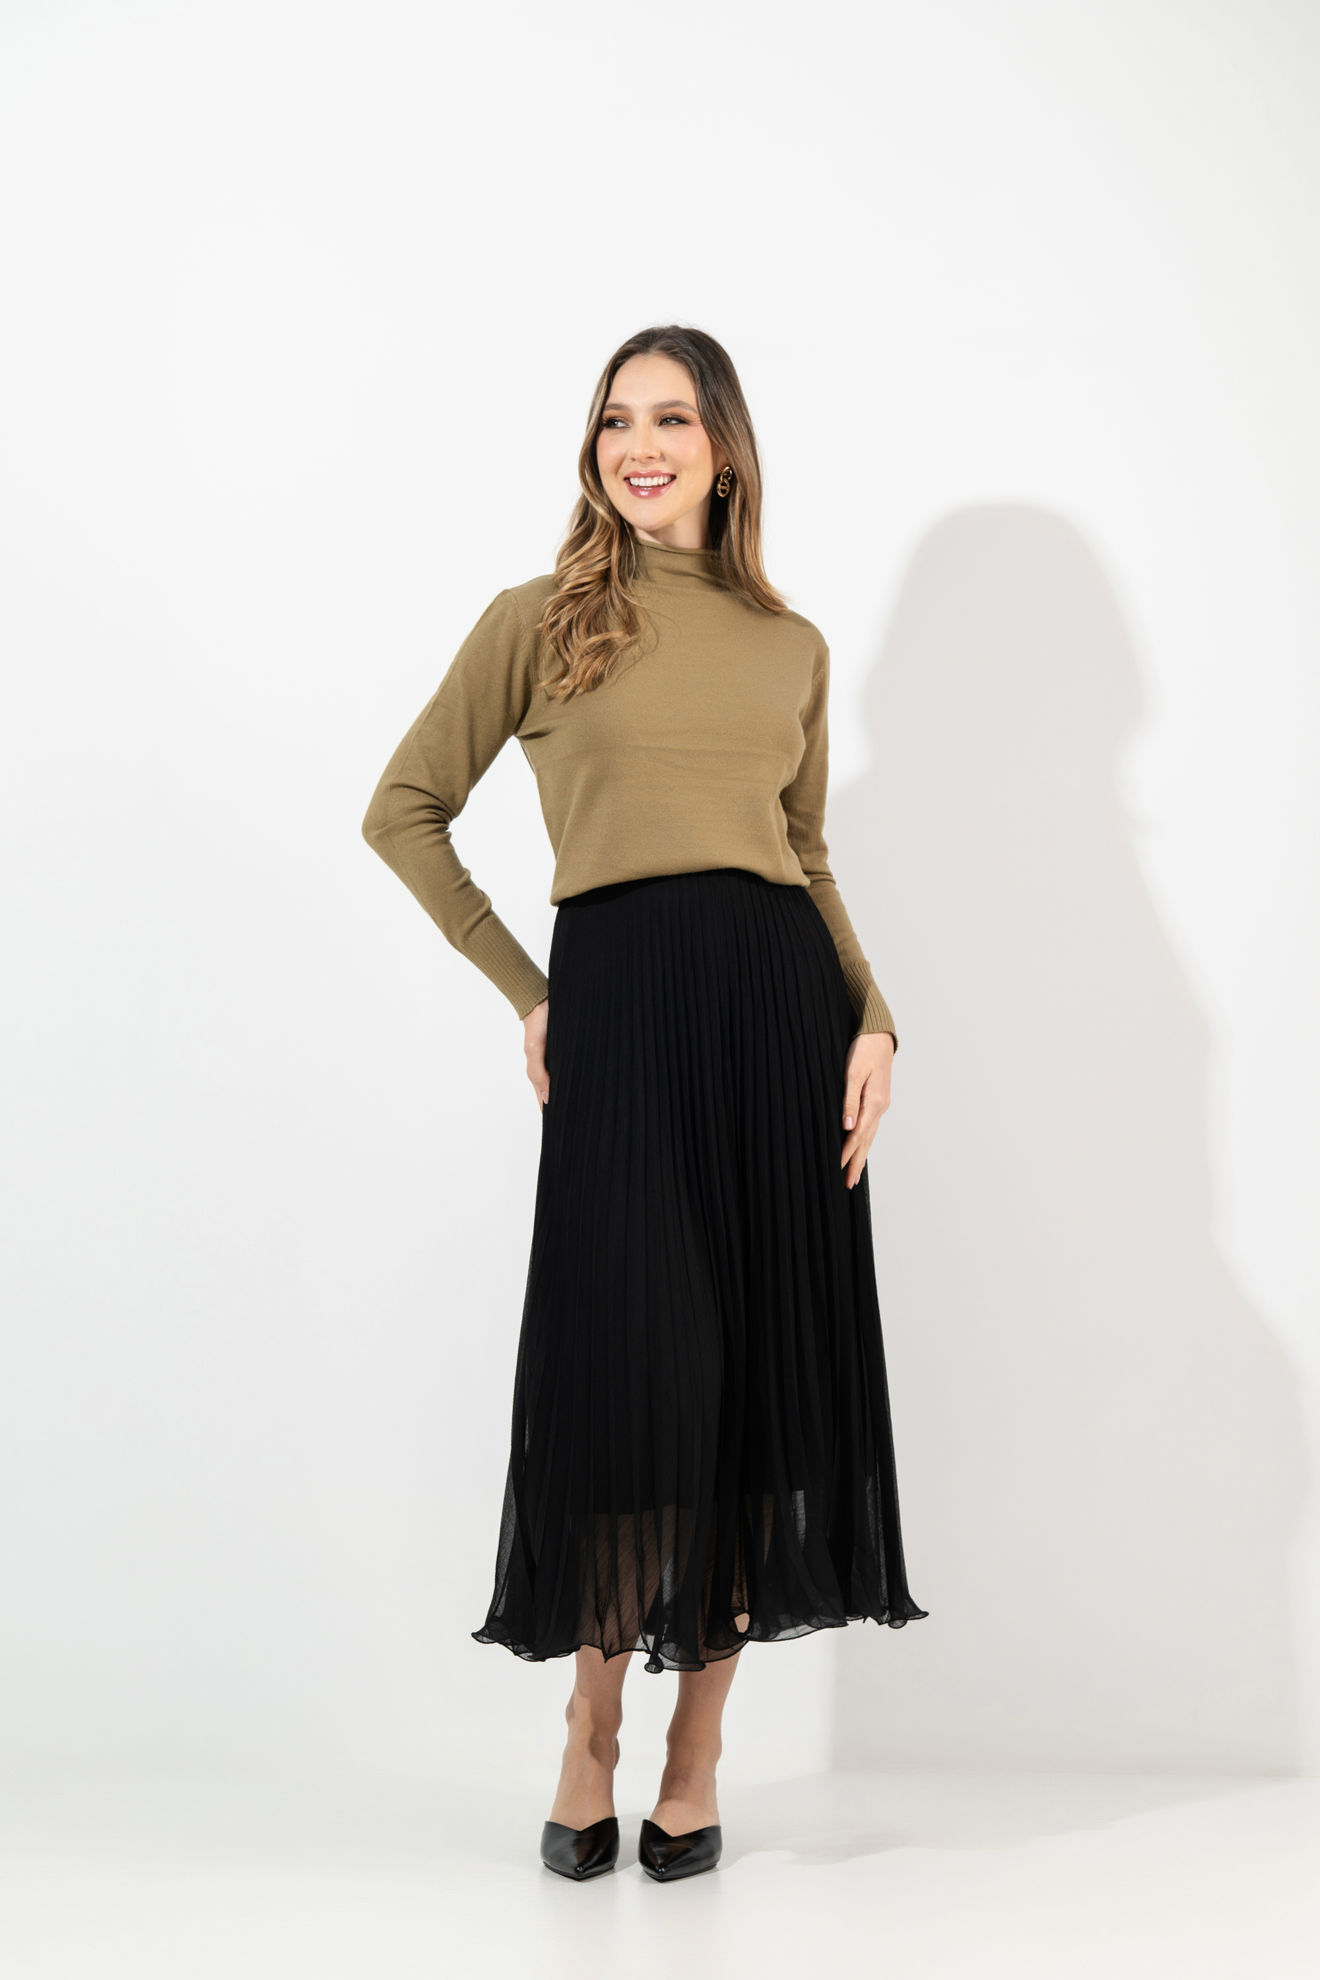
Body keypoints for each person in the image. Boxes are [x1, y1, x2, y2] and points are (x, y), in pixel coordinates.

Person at [361, 324, 928, 1882]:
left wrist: (872, 1015)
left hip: (777, 1016)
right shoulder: (540, 619)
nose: (641, 445)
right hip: (620, 1013)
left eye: (672, 418)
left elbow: (804, 852)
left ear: (724, 449)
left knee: (748, 1384)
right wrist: (529, 989)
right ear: (594, 448)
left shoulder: (789, 643)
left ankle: (696, 1756)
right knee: (638, 1377)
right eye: (618, 419)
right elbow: (404, 810)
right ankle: (593, 1725)